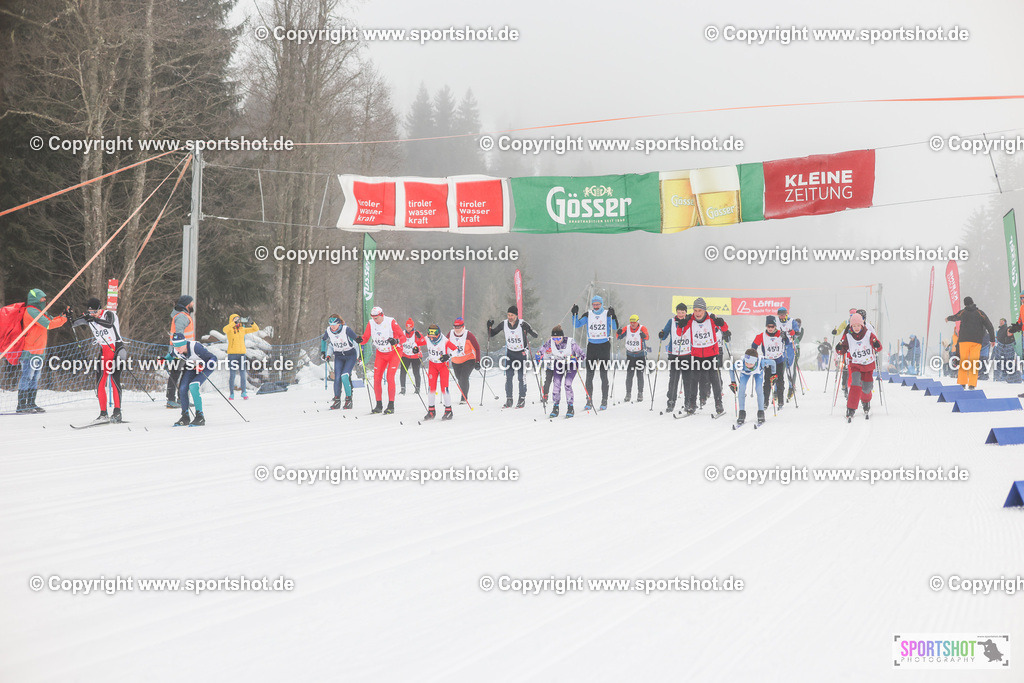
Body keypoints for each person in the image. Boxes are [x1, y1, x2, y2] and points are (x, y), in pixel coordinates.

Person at [72, 297, 126, 423]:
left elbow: (109, 324)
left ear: (99, 309)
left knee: (114, 380)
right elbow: (74, 323)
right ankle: (103, 413)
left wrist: (94, 319)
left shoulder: (108, 314)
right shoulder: (90, 317)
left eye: (94, 312)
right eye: (90, 312)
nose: (92, 314)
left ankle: (117, 412)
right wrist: (69, 317)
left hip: (117, 350)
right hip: (104, 351)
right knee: (100, 382)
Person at [16, 289, 68, 413]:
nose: (44, 300)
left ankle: (31, 403)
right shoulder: (31, 311)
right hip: (30, 351)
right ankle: (22, 405)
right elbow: (48, 325)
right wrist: (63, 320)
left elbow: (51, 320)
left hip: (39, 351)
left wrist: (63, 316)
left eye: (45, 298)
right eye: (42, 298)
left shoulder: (40, 311)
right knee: (27, 377)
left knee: (35, 378)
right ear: (35, 299)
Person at [680, 297, 730, 416]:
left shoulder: (711, 318)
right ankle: (692, 404)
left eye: (700, 311)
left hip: (711, 354)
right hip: (696, 354)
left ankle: (718, 403)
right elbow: (679, 332)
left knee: (714, 379)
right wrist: (682, 323)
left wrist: (721, 322)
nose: (697, 313)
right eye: (695, 310)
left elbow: (725, 329)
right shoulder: (690, 319)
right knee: (694, 380)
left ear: (704, 311)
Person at [571, 295, 619, 410]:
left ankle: (604, 400)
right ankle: (589, 400)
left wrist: (613, 315)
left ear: (601, 304)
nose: (596, 307)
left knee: (603, 374)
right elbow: (576, 325)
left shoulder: (607, 314)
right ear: (592, 305)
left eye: (598, 304)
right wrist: (574, 314)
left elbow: (615, 326)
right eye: (594, 304)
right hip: (592, 346)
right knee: (589, 375)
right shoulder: (588, 314)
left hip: (604, 346)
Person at [486, 305, 538, 408]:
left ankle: (521, 399)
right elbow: (491, 334)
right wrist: (489, 327)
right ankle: (509, 399)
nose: (510, 317)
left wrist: (528, 330)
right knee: (508, 377)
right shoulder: (504, 324)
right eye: (508, 315)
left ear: (516, 315)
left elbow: (535, 335)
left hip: (521, 353)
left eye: (512, 315)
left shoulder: (523, 323)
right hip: (510, 353)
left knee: (520, 377)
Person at [835, 312, 883, 421]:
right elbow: (843, 349)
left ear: (862, 325)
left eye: (858, 325)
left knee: (867, 388)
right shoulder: (848, 336)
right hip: (856, 364)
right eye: (854, 326)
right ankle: (851, 408)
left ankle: (866, 402)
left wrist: (876, 345)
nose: (856, 328)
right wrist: (838, 349)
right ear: (851, 326)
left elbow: (878, 347)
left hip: (868, 365)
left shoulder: (868, 334)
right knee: (855, 384)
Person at [359, 306, 405, 414]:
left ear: (382, 315)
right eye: (373, 318)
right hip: (381, 353)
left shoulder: (391, 321)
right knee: (376, 378)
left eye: (377, 318)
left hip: (394, 352)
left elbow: (403, 338)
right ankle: (379, 405)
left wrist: (396, 340)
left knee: (389, 377)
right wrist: (360, 340)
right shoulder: (371, 323)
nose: (375, 320)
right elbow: (365, 338)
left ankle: (391, 405)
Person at [166, 332, 216, 426]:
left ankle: (200, 417)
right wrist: (163, 360)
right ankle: (185, 417)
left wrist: (203, 365)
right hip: (192, 367)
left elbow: (213, 358)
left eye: (179, 347)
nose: (177, 349)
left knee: (193, 386)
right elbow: (171, 355)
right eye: (176, 347)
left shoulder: (195, 347)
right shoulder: (177, 350)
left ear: (184, 343)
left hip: (206, 366)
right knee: (182, 389)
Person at [535, 325, 585, 418]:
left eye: (558, 338)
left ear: (562, 336)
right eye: (554, 338)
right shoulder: (551, 342)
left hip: (571, 364)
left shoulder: (570, 342)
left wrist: (576, 358)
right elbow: (542, 350)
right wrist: (538, 355)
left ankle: (570, 407)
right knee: (556, 384)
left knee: (567, 384)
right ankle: (555, 407)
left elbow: (583, 355)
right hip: (559, 364)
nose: (556, 341)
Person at [946, 297, 994, 390]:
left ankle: (962, 383)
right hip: (976, 342)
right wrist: (992, 339)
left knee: (964, 361)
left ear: (965, 304)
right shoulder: (980, 313)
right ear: (973, 302)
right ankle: (972, 384)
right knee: (974, 362)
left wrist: (948, 318)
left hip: (964, 341)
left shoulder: (963, 312)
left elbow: (955, 317)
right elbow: (989, 325)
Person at [416, 324, 458, 420]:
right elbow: (418, 343)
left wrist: (448, 355)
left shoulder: (444, 340)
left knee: (444, 388)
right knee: (431, 389)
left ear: (438, 334)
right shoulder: (427, 338)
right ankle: (431, 411)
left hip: (443, 365)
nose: (431, 339)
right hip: (432, 365)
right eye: (430, 336)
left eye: (433, 337)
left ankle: (448, 411)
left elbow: (457, 350)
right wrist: (415, 348)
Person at [750, 315, 791, 411]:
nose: (770, 328)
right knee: (767, 383)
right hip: (768, 362)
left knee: (780, 381)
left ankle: (780, 401)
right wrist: (753, 356)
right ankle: (765, 402)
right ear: (766, 326)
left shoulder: (781, 334)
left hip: (779, 361)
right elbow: (754, 345)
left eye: (772, 326)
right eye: (768, 326)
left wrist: (785, 338)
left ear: (775, 326)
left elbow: (788, 343)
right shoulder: (761, 336)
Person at [320, 314, 360, 410]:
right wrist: (324, 352)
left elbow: (356, 341)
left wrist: (358, 357)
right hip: (339, 356)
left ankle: (348, 400)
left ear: (339, 323)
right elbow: (324, 340)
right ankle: (337, 400)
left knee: (345, 376)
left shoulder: (346, 329)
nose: (332, 326)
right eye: (331, 324)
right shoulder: (329, 331)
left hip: (350, 355)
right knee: (337, 378)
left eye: (334, 324)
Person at [657, 302, 690, 413]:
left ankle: (688, 402)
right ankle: (671, 402)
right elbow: (665, 333)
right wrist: (661, 334)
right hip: (674, 354)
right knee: (674, 379)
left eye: (682, 312)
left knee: (687, 379)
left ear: (686, 312)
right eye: (679, 312)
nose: (680, 314)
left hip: (687, 354)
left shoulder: (690, 322)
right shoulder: (671, 321)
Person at [731, 348, 775, 426]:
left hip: (758, 372)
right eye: (747, 363)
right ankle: (742, 412)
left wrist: (773, 374)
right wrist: (733, 382)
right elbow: (731, 368)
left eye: (751, 364)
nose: (748, 365)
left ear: (755, 361)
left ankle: (761, 412)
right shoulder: (741, 363)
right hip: (745, 373)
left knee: (758, 388)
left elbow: (773, 362)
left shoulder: (761, 362)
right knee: (741, 388)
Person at [166, 295, 195, 409]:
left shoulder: (185, 315)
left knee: (184, 374)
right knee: (175, 374)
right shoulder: (182, 317)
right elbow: (179, 334)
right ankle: (171, 399)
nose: (193, 305)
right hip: (180, 350)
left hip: (186, 350)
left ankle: (181, 398)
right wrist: (181, 349)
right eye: (191, 303)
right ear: (187, 304)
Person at [223, 314, 259, 400]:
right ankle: (231, 394)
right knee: (232, 375)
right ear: (232, 320)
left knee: (243, 374)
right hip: (232, 355)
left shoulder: (242, 329)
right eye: (235, 319)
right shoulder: (230, 330)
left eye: (238, 319)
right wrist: (233, 323)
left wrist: (251, 322)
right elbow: (224, 329)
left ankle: (244, 392)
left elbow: (256, 329)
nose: (238, 321)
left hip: (242, 354)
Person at [617, 314, 649, 402]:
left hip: (640, 355)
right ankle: (628, 393)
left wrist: (644, 336)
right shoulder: (627, 328)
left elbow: (647, 336)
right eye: (631, 322)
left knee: (639, 375)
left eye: (634, 322)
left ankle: (640, 393)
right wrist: (619, 332)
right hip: (630, 355)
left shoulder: (642, 328)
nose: (632, 324)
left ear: (638, 322)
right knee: (629, 375)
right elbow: (618, 336)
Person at [448, 317, 480, 404]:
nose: (456, 329)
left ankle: (464, 397)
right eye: (455, 327)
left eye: (458, 327)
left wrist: (477, 361)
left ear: (463, 327)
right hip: (456, 360)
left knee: (464, 377)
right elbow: (444, 344)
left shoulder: (468, 335)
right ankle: (463, 392)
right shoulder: (450, 334)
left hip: (468, 359)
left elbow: (476, 348)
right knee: (459, 378)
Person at [398, 318, 423, 395]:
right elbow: (399, 343)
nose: (408, 328)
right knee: (403, 372)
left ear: (412, 326)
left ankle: (417, 388)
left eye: (410, 327)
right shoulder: (403, 333)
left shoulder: (416, 333)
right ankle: (403, 389)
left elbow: (423, 342)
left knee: (416, 372)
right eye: (407, 327)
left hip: (416, 356)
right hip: (405, 355)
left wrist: (420, 337)